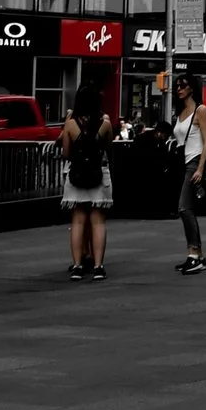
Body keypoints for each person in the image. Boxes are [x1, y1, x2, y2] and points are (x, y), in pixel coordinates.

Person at [59, 82, 114, 281]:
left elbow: (66, 153)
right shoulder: (105, 123)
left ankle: (77, 266)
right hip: (99, 174)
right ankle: (98, 266)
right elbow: (108, 146)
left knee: (78, 221)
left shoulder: (71, 124)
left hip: (77, 175)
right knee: (98, 221)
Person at [168, 73, 206, 276]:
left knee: (184, 208)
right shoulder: (181, 111)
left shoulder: (200, 110)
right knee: (187, 209)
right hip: (183, 163)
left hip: (194, 161)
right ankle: (196, 254)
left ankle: (194, 254)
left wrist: (201, 168)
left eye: (183, 85)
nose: (179, 88)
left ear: (192, 88)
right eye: (177, 86)